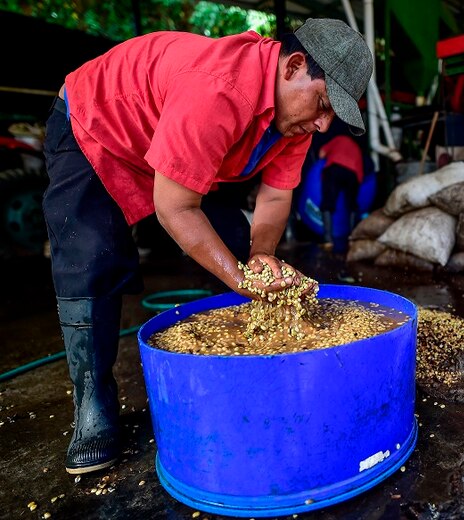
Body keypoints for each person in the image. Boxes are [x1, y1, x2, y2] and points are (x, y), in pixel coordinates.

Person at [41, 18, 373, 475]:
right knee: (93, 256)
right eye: (322, 104)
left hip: (165, 143)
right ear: (294, 65)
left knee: (234, 238)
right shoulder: (218, 88)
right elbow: (175, 207)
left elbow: (276, 197)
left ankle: (237, 358)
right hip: (97, 126)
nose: (322, 123)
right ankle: (92, 402)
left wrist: (260, 256)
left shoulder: (292, 121)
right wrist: (240, 280)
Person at [317, 132, 366, 249]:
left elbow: (322, 153)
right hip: (353, 174)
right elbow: (361, 174)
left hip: (335, 168)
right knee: (352, 205)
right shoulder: (356, 147)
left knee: (328, 203)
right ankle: (353, 239)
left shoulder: (339, 138)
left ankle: (328, 240)